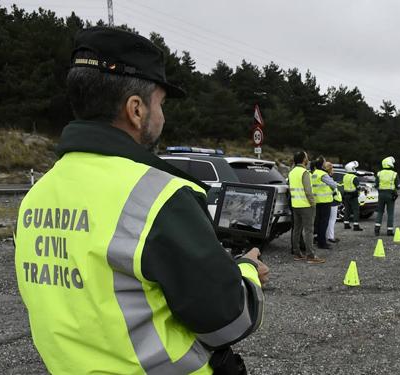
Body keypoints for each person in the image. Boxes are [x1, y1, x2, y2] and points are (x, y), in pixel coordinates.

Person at [14, 27, 267, 375]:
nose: (162, 116)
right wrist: (247, 271)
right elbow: (230, 320)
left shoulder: (37, 196)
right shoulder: (161, 197)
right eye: (160, 104)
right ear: (136, 109)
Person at [288, 151, 325, 264]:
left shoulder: (292, 172)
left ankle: (297, 253)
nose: (308, 159)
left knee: (296, 229)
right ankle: (310, 256)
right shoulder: (305, 172)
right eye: (307, 157)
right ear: (304, 159)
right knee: (309, 230)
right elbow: (308, 191)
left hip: (295, 204)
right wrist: (313, 203)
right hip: (306, 205)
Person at [311, 157, 338, 249]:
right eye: (325, 161)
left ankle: (318, 240)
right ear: (322, 164)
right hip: (325, 201)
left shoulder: (314, 173)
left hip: (316, 200)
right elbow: (333, 185)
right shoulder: (323, 174)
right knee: (324, 223)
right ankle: (322, 243)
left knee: (318, 222)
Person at [374, 156, 400, 236]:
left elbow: (376, 185)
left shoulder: (379, 173)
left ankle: (376, 230)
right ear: (390, 164)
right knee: (390, 213)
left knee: (380, 212)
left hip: (381, 195)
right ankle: (389, 231)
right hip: (390, 195)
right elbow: (398, 187)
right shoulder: (394, 174)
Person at [342, 161, 363, 231]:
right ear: (352, 168)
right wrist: (364, 189)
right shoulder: (354, 177)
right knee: (356, 210)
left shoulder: (345, 176)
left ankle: (346, 224)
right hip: (353, 196)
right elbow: (358, 187)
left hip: (346, 195)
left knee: (347, 210)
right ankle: (356, 225)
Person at [324, 162, 341, 244]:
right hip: (332, 201)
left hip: (326, 201)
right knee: (332, 220)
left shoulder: (323, 177)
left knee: (325, 220)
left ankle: (327, 236)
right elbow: (334, 188)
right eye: (332, 169)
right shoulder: (328, 178)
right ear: (330, 169)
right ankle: (330, 236)